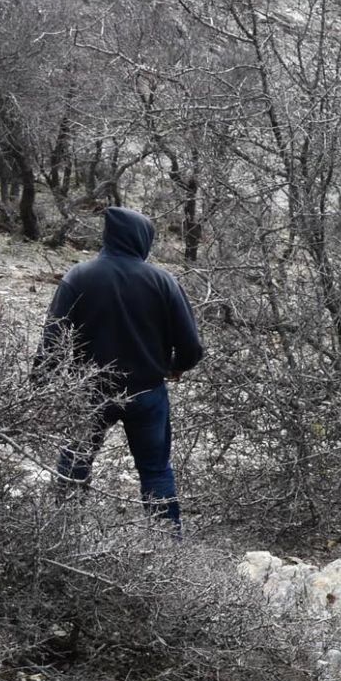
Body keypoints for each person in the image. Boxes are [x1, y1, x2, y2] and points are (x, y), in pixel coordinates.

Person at [37, 206, 204, 530]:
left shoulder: (79, 276)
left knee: (74, 464)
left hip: (88, 393)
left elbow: (52, 342)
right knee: (155, 471)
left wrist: (40, 386)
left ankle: (58, 538)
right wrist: (174, 366)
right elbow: (191, 348)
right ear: (143, 239)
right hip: (147, 394)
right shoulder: (163, 281)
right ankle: (169, 548)